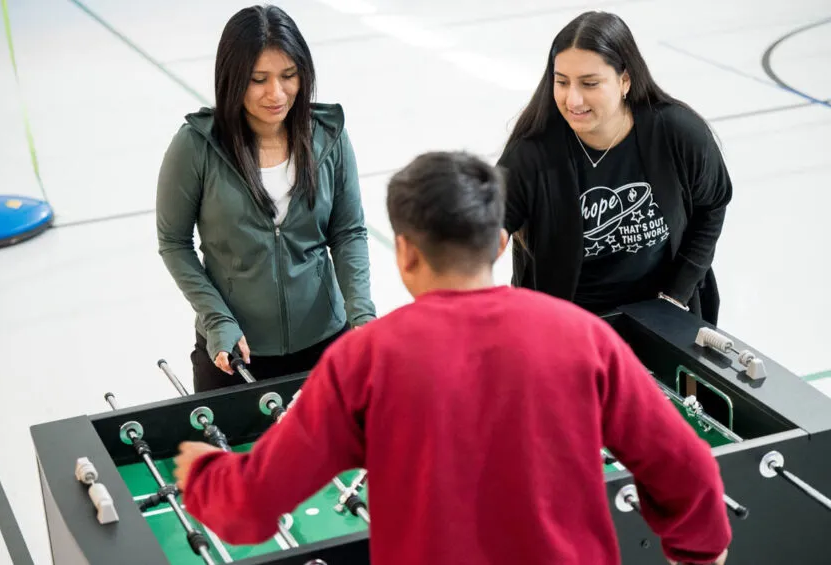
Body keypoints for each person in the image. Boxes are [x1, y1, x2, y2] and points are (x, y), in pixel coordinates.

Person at [172, 151, 730, 565]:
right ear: (501, 244)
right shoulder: (584, 338)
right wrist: (697, 552)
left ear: (406, 253)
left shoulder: (364, 361)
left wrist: (203, 473)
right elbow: (690, 472)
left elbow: (251, 506)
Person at [156, 4, 375, 392]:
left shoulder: (329, 136)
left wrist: (361, 314)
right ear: (232, 77)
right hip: (236, 353)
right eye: (258, 79)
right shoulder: (195, 146)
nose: (276, 93)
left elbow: (348, 232)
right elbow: (174, 243)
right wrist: (216, 318)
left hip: (326, 341)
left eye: (288, 75)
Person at [497, 11, 732, 325]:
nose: (573, 100)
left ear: (625, 80)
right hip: (571, 326)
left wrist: (677, 294)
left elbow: (712, 205)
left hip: (662, 313)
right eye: (562, 82)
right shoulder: (531, 154)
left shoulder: (677, 132)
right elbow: (487, 228)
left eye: (590, 83)